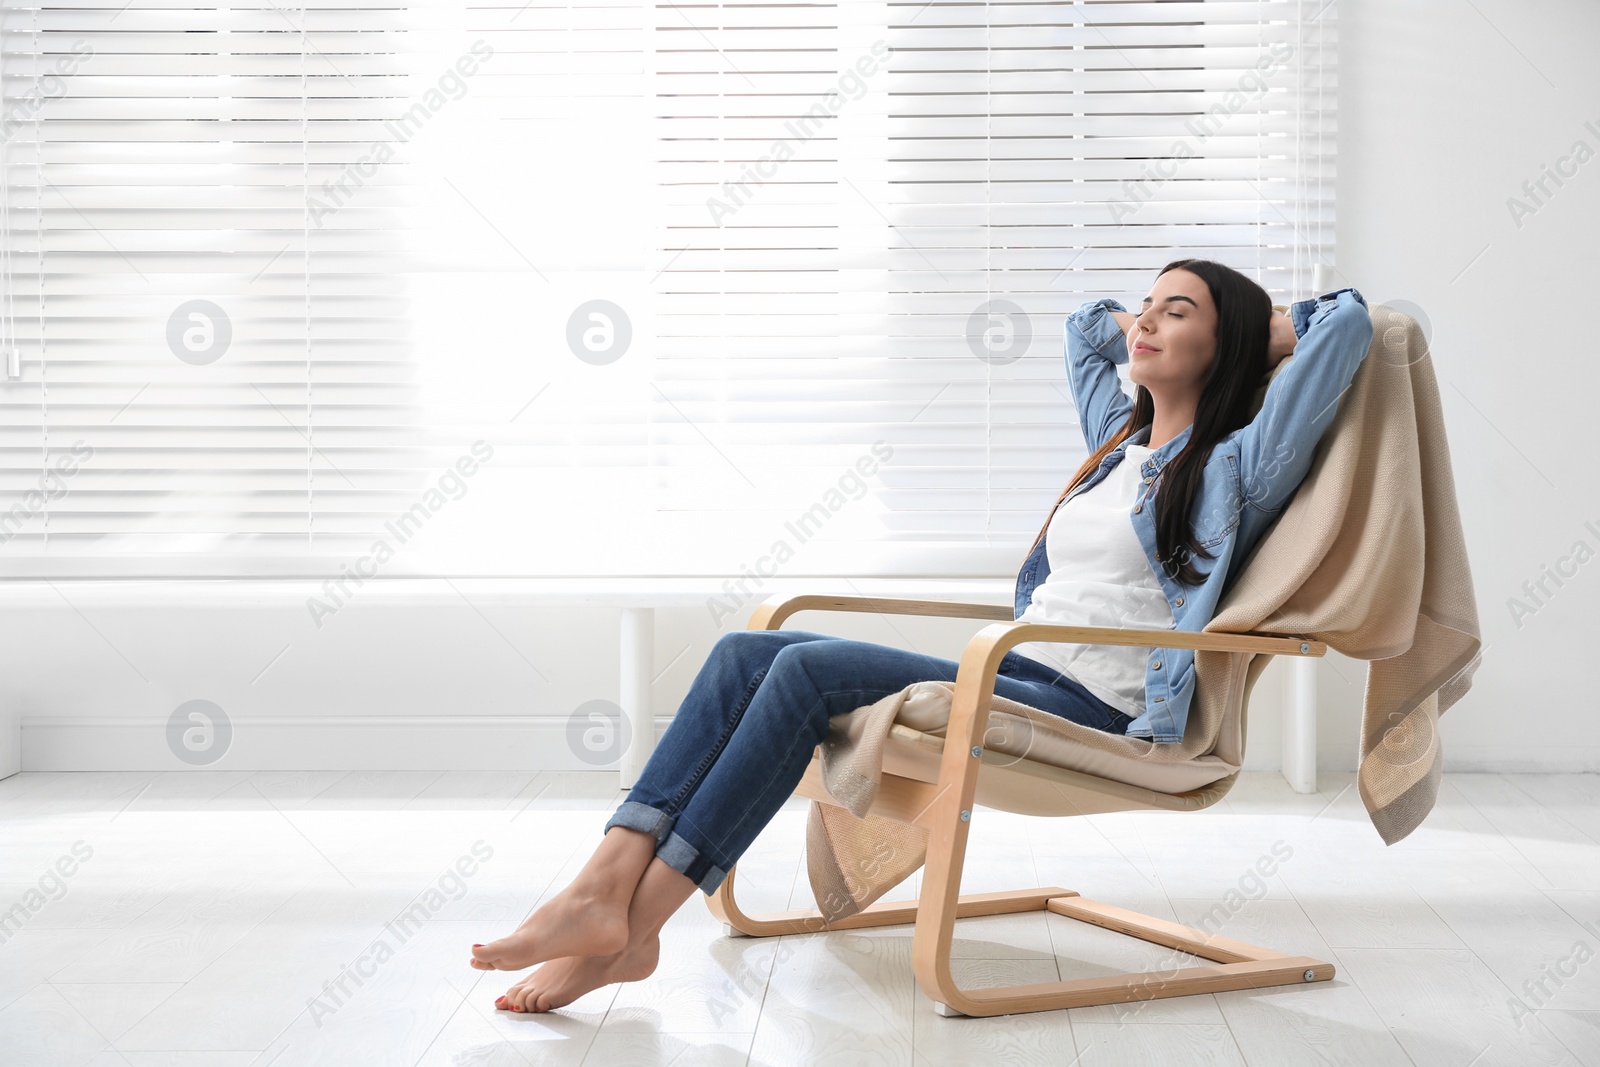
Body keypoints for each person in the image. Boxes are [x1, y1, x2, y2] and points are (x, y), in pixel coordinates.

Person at [469, 258, 1373, 1012]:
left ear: (1230, 348)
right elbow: (1080, 328)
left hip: (1093, 705)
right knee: (749, 651)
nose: (1141, 323)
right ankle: (604, 893)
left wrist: (1269, 329)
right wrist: (1159, 314)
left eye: (1176, 313)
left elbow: (1351, 326)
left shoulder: (1237, 466)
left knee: (805, 673)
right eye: (1146, 304)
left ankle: (632, 922)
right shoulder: (1114, 442)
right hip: (1018, 671)